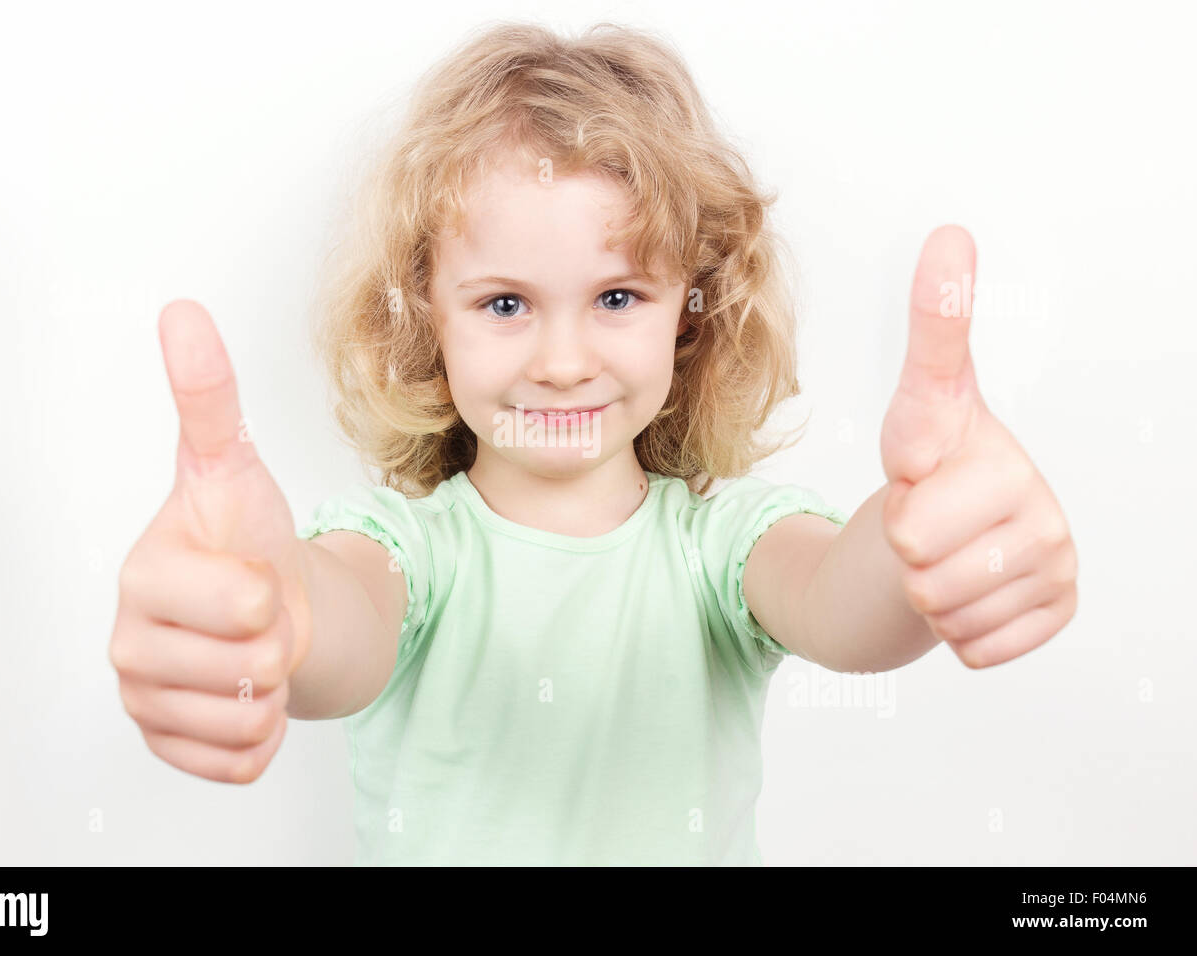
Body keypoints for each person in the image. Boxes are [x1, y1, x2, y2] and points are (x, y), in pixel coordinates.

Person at [108, 21, 1078, 865]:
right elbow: (339, 623)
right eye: (504, 303)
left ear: (688, 315)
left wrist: (923, 545)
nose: (563, 360)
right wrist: (269, 612)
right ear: (425, 321)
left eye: (616, 296)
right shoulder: (408, 551)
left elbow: (836, 596)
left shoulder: (718, 545)